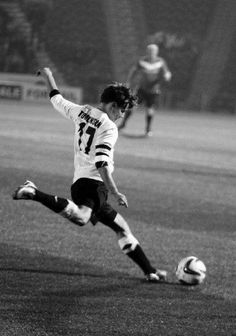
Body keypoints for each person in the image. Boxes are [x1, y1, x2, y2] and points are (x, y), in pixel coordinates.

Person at [12, 67, 167, 283]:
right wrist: (116, 191)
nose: (122, 115)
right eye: (122, 110)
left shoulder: (81, 111)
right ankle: (34, 192)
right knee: (82, 217)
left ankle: (150, 271)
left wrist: (48, 76)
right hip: (95, 185)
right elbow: (102, 163)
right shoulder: (109, 127)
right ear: (113, 106)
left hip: (81, 182)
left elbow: (56, 98)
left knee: (122, 227)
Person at [118, 44, 172, 136]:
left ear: (157, 52)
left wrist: (167, 76)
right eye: (150, 51)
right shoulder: (142, 61)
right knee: (132, 106)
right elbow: (133, 71)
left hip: (154, 90)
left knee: (150, 109)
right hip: (142, 89)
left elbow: (166, 73)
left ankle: (148, 129)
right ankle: (123, 124)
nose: (151, 53)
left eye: (153, 51)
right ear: (147, 51)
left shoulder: (160, 61)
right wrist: (128, 82)